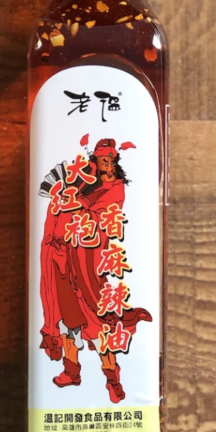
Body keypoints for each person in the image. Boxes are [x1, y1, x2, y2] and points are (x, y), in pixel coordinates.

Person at [38, 137, 152, 403]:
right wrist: (67, 200)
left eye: (110, 159)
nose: (106, 164)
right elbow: (58, 210)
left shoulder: (115, 188)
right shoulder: (81, 179)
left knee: (98, 320)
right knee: (67, 320)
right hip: (62, 258)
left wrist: (79, 204)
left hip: (87, 263)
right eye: (102, 159)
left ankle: (113, 379)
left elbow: (103, 218)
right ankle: (71, 371)